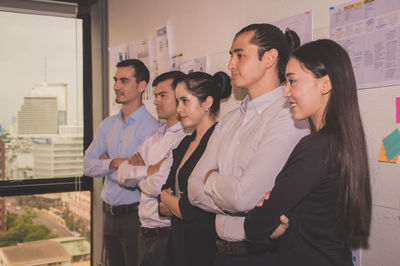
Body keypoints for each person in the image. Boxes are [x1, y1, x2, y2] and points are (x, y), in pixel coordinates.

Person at [187, 24, 310, 266]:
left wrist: (211, 180)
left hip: (263, 255)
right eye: (231, 56)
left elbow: (244, 196)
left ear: (270, 58)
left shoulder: (288, 118)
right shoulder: (229, 121)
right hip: (221, 253)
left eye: (240, 55)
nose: (231, 64)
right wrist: (229, 195)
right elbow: (192, 189)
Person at [244, 39, 372, 266]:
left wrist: (264, 210)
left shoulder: (317, 147)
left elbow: (255, 226)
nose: (286, 93)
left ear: (325, 84)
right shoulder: (344, 143)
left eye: (292, 81)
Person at [84, 59, 160, 266]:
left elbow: (142, 177)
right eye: (116, 80)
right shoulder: (107, 125)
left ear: (141, 86)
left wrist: (107, 162)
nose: (116, 86)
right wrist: (115, 163)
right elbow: (87, 165)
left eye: (124, 81)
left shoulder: (152, 129)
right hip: (107, 214)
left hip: (134, 217)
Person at [159, 71, 232, 266]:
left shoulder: (219, 142)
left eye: (185, 101)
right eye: (177, 101)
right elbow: (164, 202)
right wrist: (171, 201)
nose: (179, 108)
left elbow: (189, 210)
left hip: (203, 247)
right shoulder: (184, 143)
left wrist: (168, 199)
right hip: (177, 242)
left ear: (207, 103)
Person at [117, 71, 187, 266]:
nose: (156, 101)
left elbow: (159, 186)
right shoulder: (154, 136)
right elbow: (122, 173)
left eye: (163, 95)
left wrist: (140, 171)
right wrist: (149, 170)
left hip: (166, 234)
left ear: (180, 97)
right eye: (155, 96)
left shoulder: (184, 138)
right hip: (145, 233)